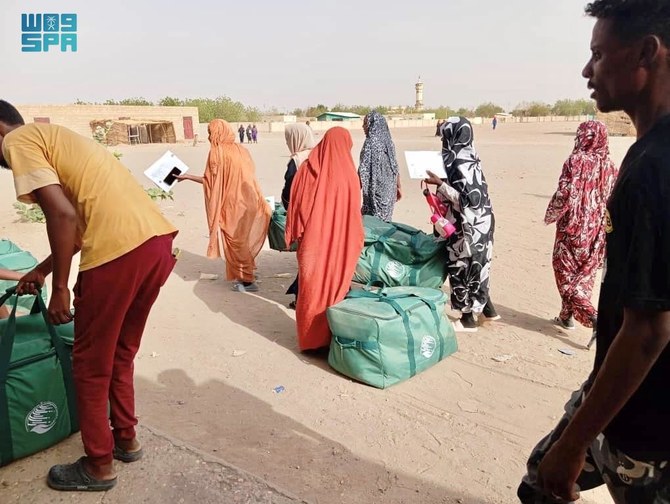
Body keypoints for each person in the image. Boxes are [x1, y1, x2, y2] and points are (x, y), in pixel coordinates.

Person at [518, 2, 670, 502]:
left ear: (647, 53)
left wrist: (577, 440)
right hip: (625, 393)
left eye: (599, 54)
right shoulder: (644, 155)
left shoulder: (651, 169)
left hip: (644, 427)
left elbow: (648, 330)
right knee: (541, 478)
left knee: (549, 475)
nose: (587, 71)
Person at [0, 99, 177, 491]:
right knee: (121, 353)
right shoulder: (60, 140)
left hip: (118, 255)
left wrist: (61, 288)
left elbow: (60, 216)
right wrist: (43, 271)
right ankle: (126, 439)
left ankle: (98, 465)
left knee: (90, 364)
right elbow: (76, 227)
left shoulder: (18, 139)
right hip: (156, 244)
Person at [285, 127, 364, 351]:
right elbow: (355, 213)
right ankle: (330, 339)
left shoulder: (309, 168)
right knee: (335, 287)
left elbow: (298, 206)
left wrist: (296, 232)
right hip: (343, 244)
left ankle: (310, 339)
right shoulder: (350, 174)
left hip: (313, 241)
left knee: (311, 286)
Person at [177, 119, 270, 292]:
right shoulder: (243, 150)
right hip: (250, 201)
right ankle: (246, 272)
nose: (209, 136)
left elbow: (211, 181)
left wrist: (188, 177)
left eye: (211, 132)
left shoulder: (217, 152)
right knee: (242, 240)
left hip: (233, 204)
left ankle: (247, 281)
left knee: (234, 241)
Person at [424, 116, 498, 333]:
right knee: (479, 264)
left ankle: (467, 319)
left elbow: (467, 200)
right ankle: (488, 310)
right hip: (483, 222)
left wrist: (440, 185)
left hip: (466, 224)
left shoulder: (455, 161)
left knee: (461, 266)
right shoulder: (471, 155)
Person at [545, 120, 618, 331]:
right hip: (597, 232)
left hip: (572, 229)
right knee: (582, 275)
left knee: (565, 274)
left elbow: (564, 193)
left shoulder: (575, 161)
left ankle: (595, 319)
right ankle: (565, 317)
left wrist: (552, 212)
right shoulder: (611, 166)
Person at [281, 123, 316, 309]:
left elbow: (288, 191)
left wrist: (288, 207)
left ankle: (303, 297)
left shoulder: (297, 161)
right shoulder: (321, 155)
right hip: (323, 214)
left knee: (306, 256)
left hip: (305, 217)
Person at [359, 111, 402, 222]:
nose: (363, 127)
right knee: (386, 220)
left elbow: (363, 169)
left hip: (375, 190)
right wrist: (398, 186)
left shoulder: (370, 142)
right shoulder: (389, 142)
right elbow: (395, 166)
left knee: (373, 223)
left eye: (365, 123)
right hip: (389, 191)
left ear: (372, 124)